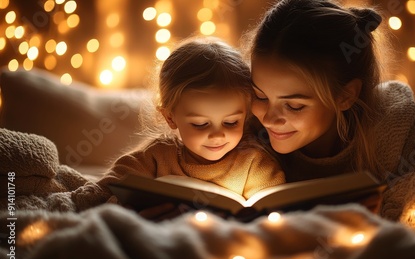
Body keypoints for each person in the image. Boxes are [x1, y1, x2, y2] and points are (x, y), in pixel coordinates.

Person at [246, 0, 415, 189]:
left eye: (294, 106)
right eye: (261, 96)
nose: (269, 118)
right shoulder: (244, 131)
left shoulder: (406, 141)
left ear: (345, 96)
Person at [86, 36, 285, 218]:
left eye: (231, 122)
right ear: (170, 118)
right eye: (201, 124)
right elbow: (106, 189)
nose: (217, 135)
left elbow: (272, 214)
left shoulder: (254, 164)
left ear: (246, 114)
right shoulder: (158, 156)